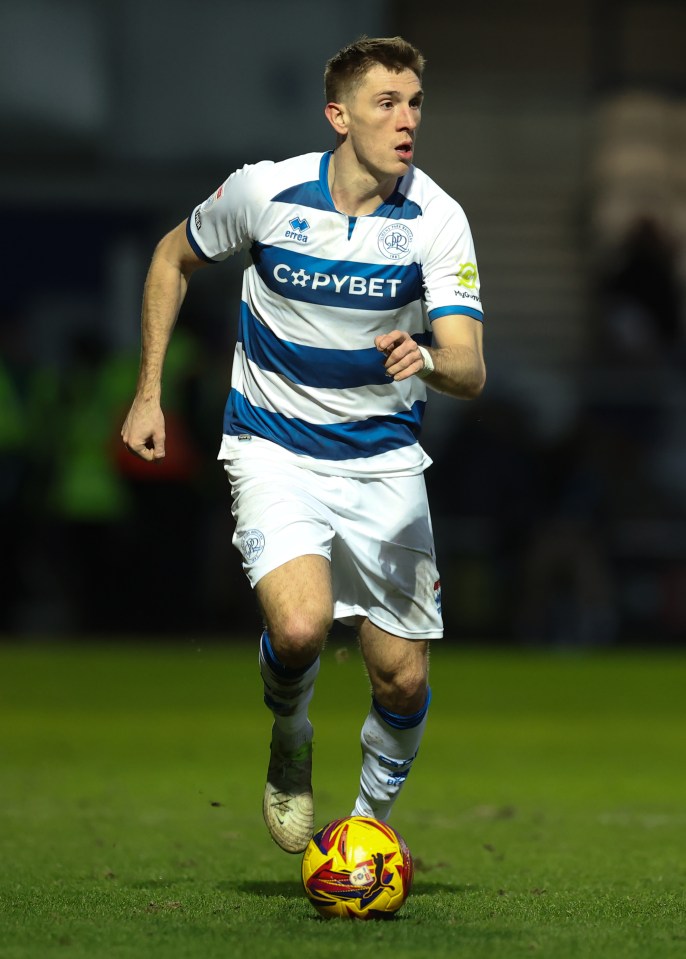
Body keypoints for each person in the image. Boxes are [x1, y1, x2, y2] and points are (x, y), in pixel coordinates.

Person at [122, 36, 486, 854]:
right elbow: (171, 257)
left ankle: (364, 830)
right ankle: (291, 736)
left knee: (402, 674)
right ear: (339, 115)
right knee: (299, 628)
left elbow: (470, 365)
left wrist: (428, 355)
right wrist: (148, 391)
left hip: (384, 461)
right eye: (386, 103)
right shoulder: (267, 191)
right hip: (273, 446)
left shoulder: (437, 216)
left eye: (415, 103)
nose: (407, 120)